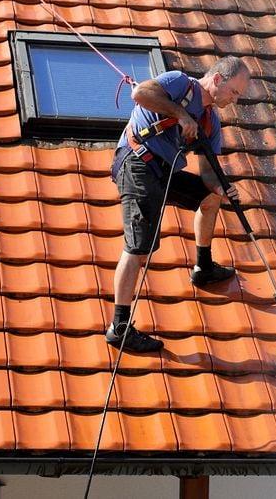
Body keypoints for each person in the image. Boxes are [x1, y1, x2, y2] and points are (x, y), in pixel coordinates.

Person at [106, 56, 250, 352]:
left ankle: (203, 266)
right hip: (138, 163)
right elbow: (140, 94)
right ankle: (119, 327)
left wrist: (221, 187)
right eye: (234, 92)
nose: (234, 100)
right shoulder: (180, 83)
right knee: (139, 247)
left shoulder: (211, 121)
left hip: (166, 173)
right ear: (219, 80)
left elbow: (208, 172)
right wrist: (181, 115)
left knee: (210, 197)